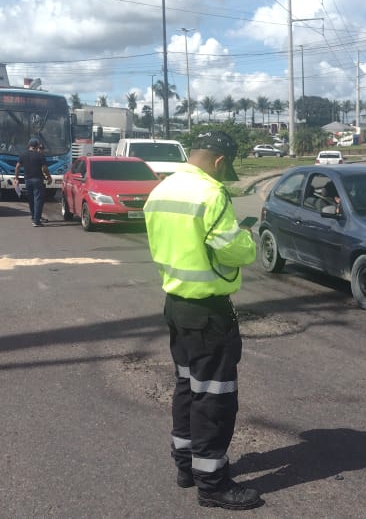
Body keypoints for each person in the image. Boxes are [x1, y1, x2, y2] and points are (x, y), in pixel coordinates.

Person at [143, 131, 262, 510]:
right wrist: (246, 237)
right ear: (218, 161)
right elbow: (236, 251)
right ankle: (212, 485)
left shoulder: (161, 190)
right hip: (209, 313)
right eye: (227, 167)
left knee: (186, 388)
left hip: (176, 305)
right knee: (214, 398)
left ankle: (185, 466)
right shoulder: (211, 193)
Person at [14, 138, 52, 227]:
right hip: (38, 180)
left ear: (29, 145)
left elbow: (17, 166)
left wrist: (16, 178)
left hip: (27, 180)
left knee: (31, 200)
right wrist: (49, 177)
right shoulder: (40, 155)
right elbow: (45, 168)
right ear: (37, 146)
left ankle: (33, 217)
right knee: (38, 200)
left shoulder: (23, 155)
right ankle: (36, 220)